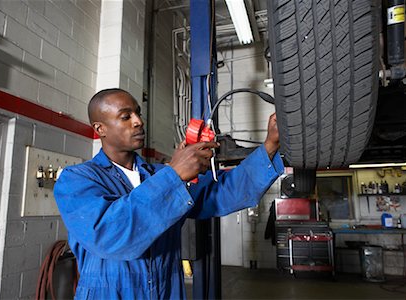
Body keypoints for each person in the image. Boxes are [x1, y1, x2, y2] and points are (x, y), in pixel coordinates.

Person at [54, 88, 284, 299]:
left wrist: (270, 146)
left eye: (138, 113)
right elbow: (110, 235)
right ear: (99, 129)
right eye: (126, 116)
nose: (138, 122)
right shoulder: (77, 179)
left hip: (166, 292)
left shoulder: (158, 174)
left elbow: (223, 193)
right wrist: (174, 175)